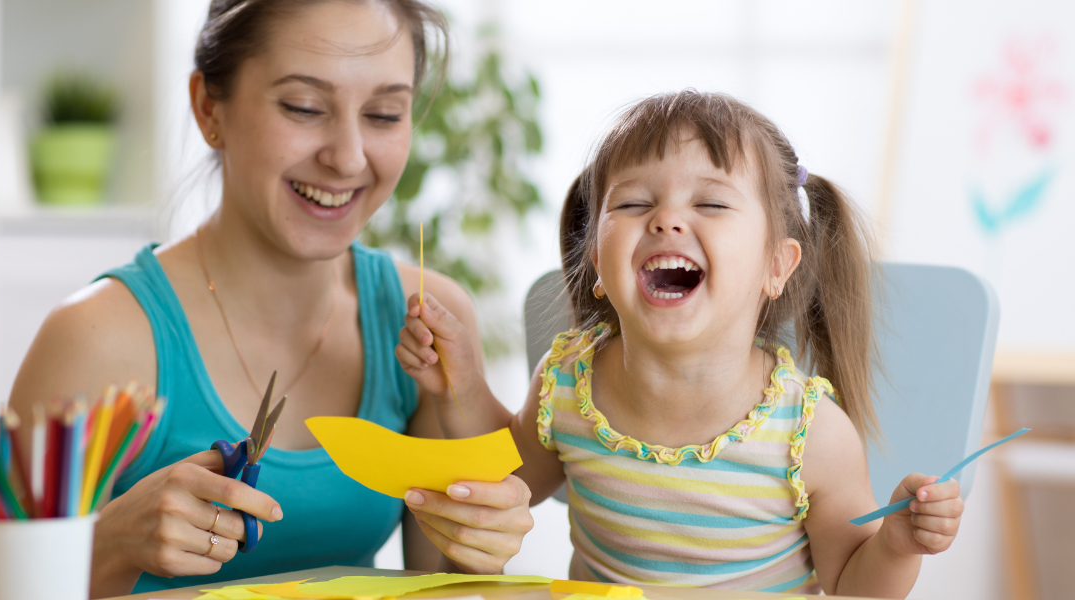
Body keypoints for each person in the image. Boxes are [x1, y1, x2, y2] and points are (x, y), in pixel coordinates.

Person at [7, 1, 533, 597]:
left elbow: (442, 587)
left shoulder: (425, 323)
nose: (349, 156)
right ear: (210, 108)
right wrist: (110, 543)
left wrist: (480, 542)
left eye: (385, 114)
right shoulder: (97, 338)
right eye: (304, 107)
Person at [395, 90, 965, 596]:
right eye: (634, 203)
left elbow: (852, 585)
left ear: (777, 264)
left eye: (711, 203)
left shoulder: (808, 433)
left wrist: (895, 545)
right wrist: (460, 384)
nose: (666, 218)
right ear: (595, 258)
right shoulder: (567, 381)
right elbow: (512, 481)